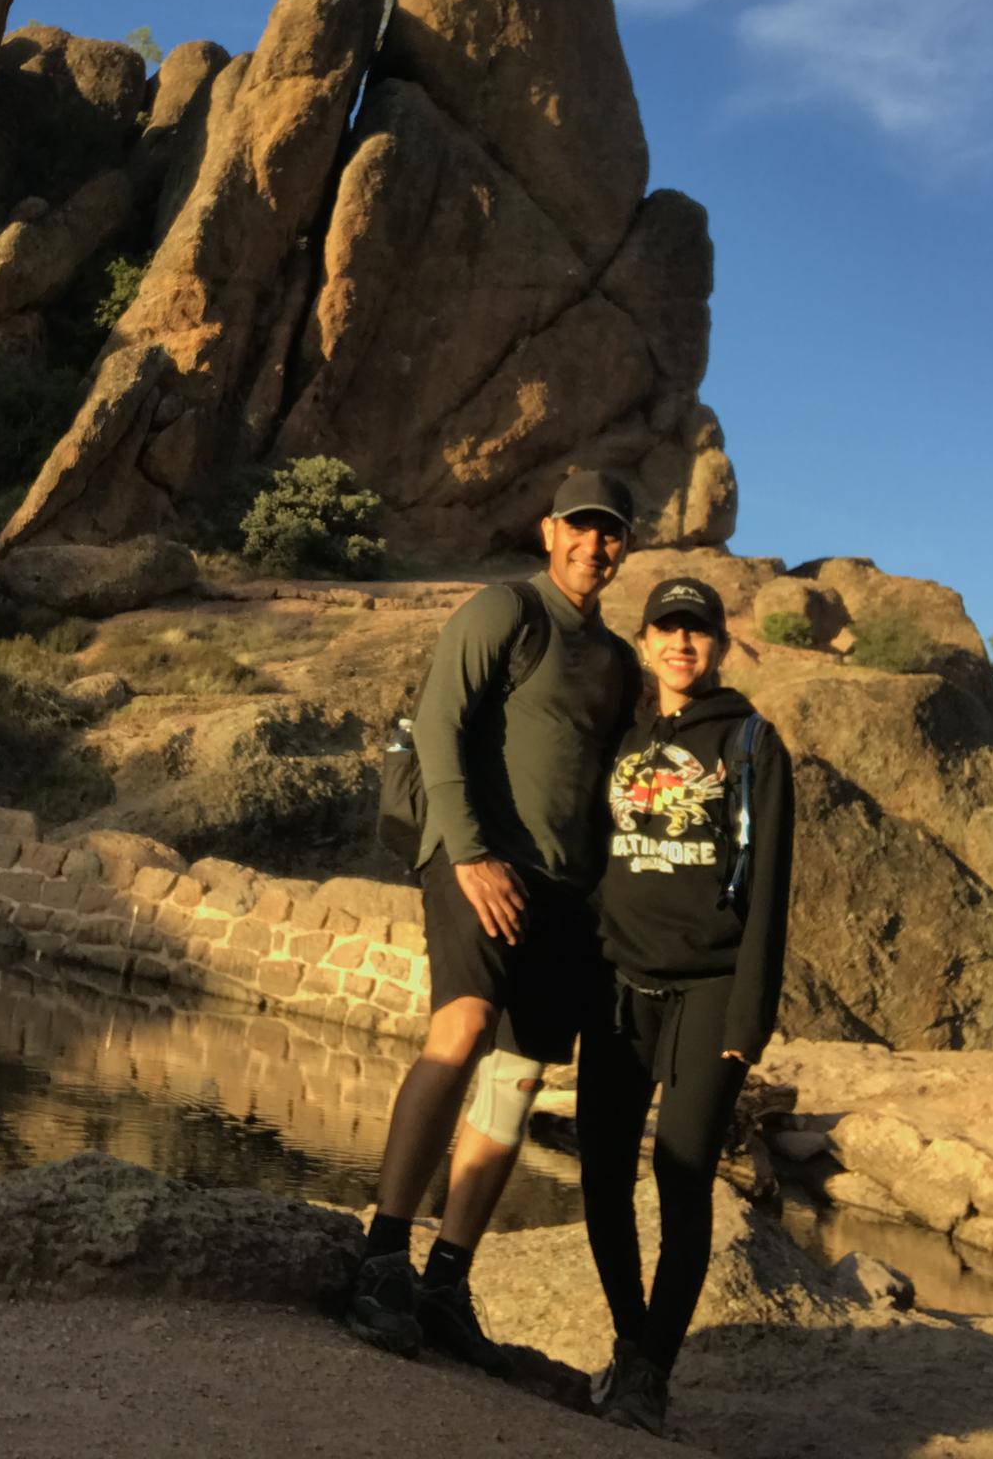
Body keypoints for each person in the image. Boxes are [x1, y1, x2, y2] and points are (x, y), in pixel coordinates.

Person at [346, 470, 641, 1374]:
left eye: (612, 533)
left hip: (563, 891)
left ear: (623, 547)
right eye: (581, 528)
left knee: (516, 1077)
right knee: (464, 1027)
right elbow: (439, 728)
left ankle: (447, 1278)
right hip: (475, 858)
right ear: (551, 531)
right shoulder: (504, 611)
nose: (594, 544)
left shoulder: (620, 660)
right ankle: (383, 1256)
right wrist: (469, 855)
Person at [577, 576, 794, 1437]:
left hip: (710, 989)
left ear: (720, 645)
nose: (681, 643)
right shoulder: (622, 732)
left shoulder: (750, 742)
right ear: (645, 639)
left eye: (697, 630)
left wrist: (750, 1019)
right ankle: (635, 1342)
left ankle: (650, 1374)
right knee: (599, 1170)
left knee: (681, 1174)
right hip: (619, 983)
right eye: (666, 628)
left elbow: (771, 888)